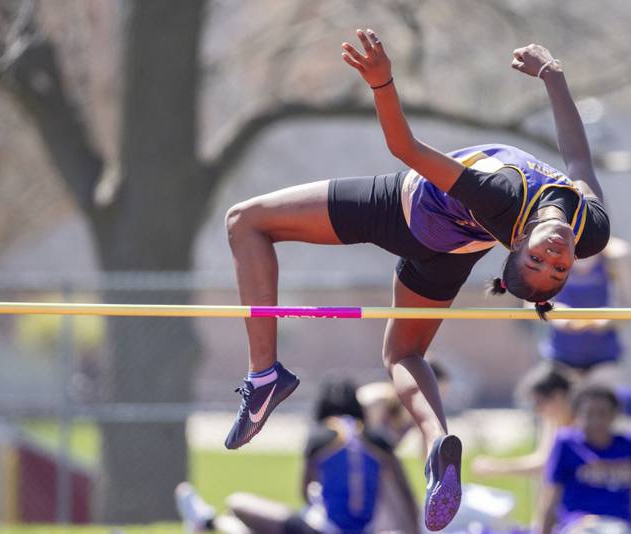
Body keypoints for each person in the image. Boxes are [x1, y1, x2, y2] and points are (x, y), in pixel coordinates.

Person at [224, 27, 610, 531]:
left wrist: (382, 85)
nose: (554, 257)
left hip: (402, 212)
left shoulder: (500, 196)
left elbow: (405, 147)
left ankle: (265, 375)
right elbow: (579, 158)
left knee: (245, 221)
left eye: (539, 263)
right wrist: (554, 77)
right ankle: (436, 444)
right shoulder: (591, 228)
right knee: (403, 355)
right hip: (449, 249)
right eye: (556, 267)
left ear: (517, 244)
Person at [473, 367, 631, 534]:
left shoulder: (599, 409)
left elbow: (548, 464)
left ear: (558, 397)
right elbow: (553, 465)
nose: (540, 413)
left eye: (539, 405)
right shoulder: (579, 416)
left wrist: (496, 467)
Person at [176, 378, 418, 534]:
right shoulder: (380, 442)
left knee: (236, 503)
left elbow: (304, 493)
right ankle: (204, 521)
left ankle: (206, 521)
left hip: (322, 530)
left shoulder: (321, 438)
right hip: (367, 530)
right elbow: (406, 496)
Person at [534, 386, 631, 534]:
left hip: (618, 524)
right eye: (588, 414)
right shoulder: (566, 444)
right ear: (577, 415)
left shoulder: (629, 444)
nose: (596, 421)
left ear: (614, 414)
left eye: (602, 413)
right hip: (578, 523)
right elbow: (551, 496)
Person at [537, 237, 631, 386]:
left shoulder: (615, 257)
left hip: (604, 358)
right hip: (560, 358)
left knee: (599, 405)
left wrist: (609, 319)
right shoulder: (550, 254)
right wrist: (557, 314)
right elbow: (531, 304)